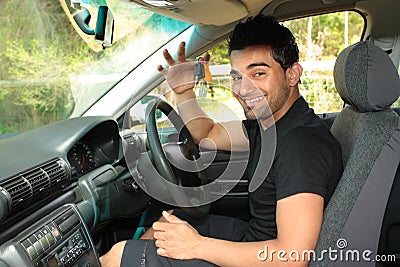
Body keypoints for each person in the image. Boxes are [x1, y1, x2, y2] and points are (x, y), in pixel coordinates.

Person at [100, 15, 343, 266]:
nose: (244, 88)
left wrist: (196, 246)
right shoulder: (271, 125)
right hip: (255, 238)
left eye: (258, 73)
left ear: (292, 75)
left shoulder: (300, 144)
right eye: (237, 77)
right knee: (168, 224)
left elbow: (292, 257)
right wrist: (184, 92)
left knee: (119, 255)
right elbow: (206, 134)